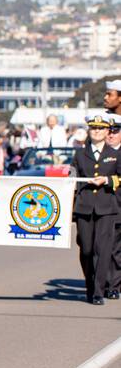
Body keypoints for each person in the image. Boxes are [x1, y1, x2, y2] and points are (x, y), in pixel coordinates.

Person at [70, 112, 120, 304]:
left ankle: (98, 291)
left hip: (107, 207)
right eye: (94, 128)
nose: (97, 131)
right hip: (84, 207)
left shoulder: (115, 154)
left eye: (101, 128)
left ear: (107, 130)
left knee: (103, 249)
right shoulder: (80, 154)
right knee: (86, 250)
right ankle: (90, 284)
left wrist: (107, 180)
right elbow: (73, 175)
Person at [105, 114, 121, 300]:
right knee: (110, 248)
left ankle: (113, 284)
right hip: (108, 207)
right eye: (108, 131)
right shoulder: (98, 153)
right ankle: (111, 284)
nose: (110, 135)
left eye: (115, 131)